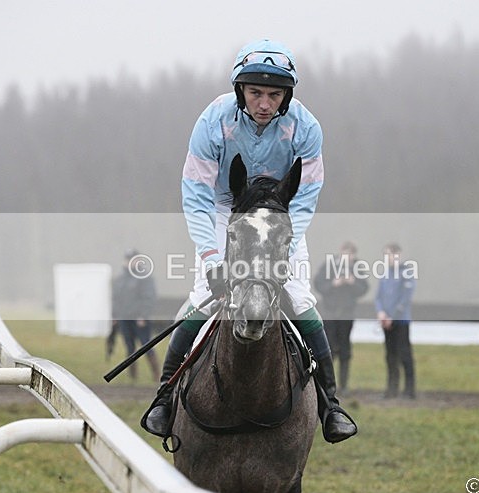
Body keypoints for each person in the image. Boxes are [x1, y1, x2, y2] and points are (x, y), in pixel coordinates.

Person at [143, 39, 357, 443]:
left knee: (298, 296)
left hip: (280, 216)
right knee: (204, 297)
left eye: (274, 95)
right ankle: (164, 397)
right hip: (226, 209)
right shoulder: (213, 120)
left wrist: (284, 255)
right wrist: (210, 258)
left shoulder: (307, 128)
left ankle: (331, 405)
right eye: (255, 93)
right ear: (240, 91)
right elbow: (197, 195)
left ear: (286, 95)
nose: (264, 103)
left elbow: (306, 199)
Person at [313, 241, 369, 393]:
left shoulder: (358, 268)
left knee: (345, 349)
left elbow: (364, 288)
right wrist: (333, 284)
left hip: (347, 315)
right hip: (329, 314)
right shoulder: (328, 266)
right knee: (329, 349)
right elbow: (318, 284)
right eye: (346, 253)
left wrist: (352, 283)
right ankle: (328, 383)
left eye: (351, 254)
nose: (348, 257)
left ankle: (343, 385)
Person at [110, 249, 160, 382]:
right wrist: (114, 316)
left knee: (146, 346)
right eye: (127, 259)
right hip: (124, 318)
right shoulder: (120, 279)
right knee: (129, 347)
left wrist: (143, 315)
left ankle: (157, 374)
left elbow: (149, 298)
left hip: (139, 319)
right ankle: (133, 378)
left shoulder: (145, 277)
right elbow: (116, 299)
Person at [374, 243, 416, 399]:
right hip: (387, 322)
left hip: (400, 322)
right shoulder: (385, 274)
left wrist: (392, 316)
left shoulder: (406, 273)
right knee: (390, 355)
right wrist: (381, 313)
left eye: (390, 254)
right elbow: (378, 297)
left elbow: (405, 299)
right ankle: (392, 389)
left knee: (405, 355)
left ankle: (410, 390)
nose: (388, 258)